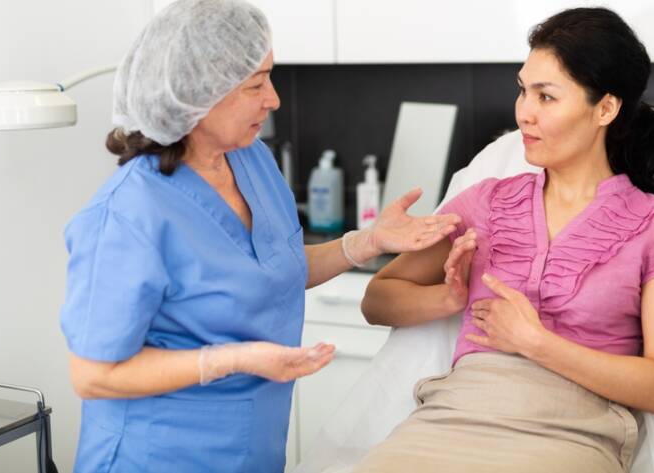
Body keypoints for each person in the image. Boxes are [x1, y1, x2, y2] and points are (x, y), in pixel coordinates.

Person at [58, 1, 459, 472]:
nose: (273, 99)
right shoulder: (127, 214)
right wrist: (230, 360)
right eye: (256, 84)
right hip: (157, 456)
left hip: (252, 452)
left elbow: (271, 271)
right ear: (200, 93)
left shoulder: (251, 161)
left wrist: (366, 242)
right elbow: (93, 375)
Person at [355, 7, 654, 473]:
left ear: (605, 108)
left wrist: (536, 343)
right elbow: (376, 300)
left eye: (546, 96)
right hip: (453, 415)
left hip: (572, 432)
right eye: (523, 91)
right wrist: (448, 299)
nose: (524, 113)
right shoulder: (485, 202)